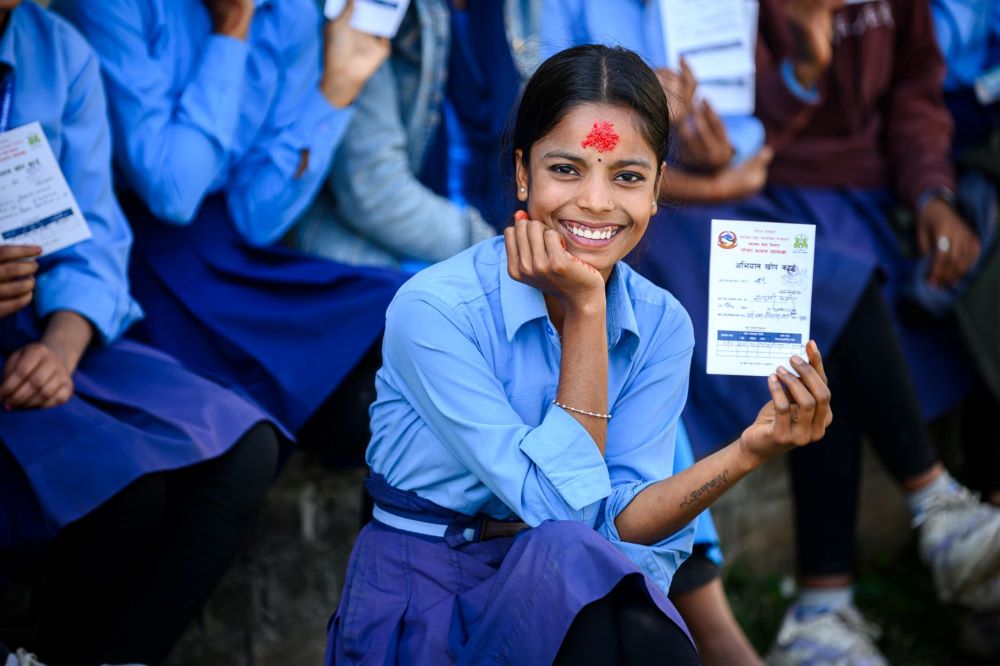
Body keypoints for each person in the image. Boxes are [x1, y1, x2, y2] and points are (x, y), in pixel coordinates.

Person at [327, 44, 834, 665]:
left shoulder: (662, 323)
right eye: (566, 169)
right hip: (430, 588)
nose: (596, 201)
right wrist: (589, 312)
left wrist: (751, 449)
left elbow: (614, 522)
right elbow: (566, 514)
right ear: (522, 174)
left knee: (626, 616)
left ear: (656, 190)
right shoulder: (433, 310)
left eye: (627, 176)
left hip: (568, 580)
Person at [613, 1, 1000, 663]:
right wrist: (803, 64)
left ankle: (827, 602)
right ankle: (933, 511)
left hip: (866, 195)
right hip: (768, 190)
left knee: (819, 293)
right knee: (808, 285)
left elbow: (915, 98)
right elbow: (738, 122)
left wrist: (931, 191)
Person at [0, 2, 282, 664]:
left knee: (243, 449)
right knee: (124, 488)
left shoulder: (56, 51)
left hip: (45, 331)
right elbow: (173, 190)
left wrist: (61, 347)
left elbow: (90, 236)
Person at [53, 0, 406, 459]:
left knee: (405, 316)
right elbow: (173, 194)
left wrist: (336, 89)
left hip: (231, 249)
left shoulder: (288, 13)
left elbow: (256, 219)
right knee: (336, 409)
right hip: (131, 254)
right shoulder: (116, 8)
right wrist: (231, 31)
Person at [291, 0, 535, 269]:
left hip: (496, 235)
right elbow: (374, 191)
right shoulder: (371, 9)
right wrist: (498, 246)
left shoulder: (516, 9)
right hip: (388, 255)